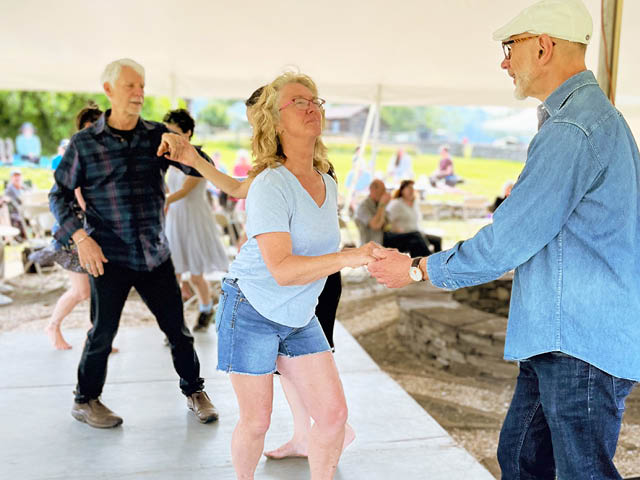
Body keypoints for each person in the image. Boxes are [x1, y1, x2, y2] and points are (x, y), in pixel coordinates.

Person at [368, 1, 639, 478]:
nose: (504, 61)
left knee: (576, 471)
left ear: (543, 47)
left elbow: (508, 241)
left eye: (509, 47)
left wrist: (417, 269)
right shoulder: (584, 121)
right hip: (562, 338)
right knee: (520, 458)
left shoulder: (573, 130)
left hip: (577, 341)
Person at [160, 72, 376, 480]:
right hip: (252, 308)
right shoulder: (269, 183)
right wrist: (350, 257)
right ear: (275, 122)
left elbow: (240, 189)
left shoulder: (326, 180)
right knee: (256, 422)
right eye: (299, 101)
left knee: (333, 417)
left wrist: (366, 257)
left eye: (316, 100)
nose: (312, 106)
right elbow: (281, 268)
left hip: (298, 313)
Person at [49, 58, 218, 429]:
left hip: (154, 254)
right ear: (108, 90)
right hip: (108, 256)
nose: (139, 92)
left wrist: (187, 148)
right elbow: (59, 195)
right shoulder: (83, 145)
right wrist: (80, 239)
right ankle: (85, 400)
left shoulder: (156, 135)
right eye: (130, 86)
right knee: (102, 332)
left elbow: (198, 167)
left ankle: (195, 391)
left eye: (142, 85)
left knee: (177, 330)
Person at [162, 108, 229, 331]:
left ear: (188, 133)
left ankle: (206, 307)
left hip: (194, 216)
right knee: (175, 271)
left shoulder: (199, 158)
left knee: (196, 273)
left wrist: (162, 201)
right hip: (174, 218)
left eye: (176, 132)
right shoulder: (168, 156)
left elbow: (184, 190)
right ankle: (174, 322)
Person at [45, 103, 105, 350]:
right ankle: (53, 326)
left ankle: (98, 335)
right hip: (74, 234)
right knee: (82, 291)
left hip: (92, 232)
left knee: (98, 288)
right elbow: (80, 198)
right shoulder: (77, 155)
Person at [356, 179, 431, 258]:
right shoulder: (363, 207)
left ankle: (425, 263)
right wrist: (382, 205)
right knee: (414, 239)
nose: (384, 193)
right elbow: (376, 226)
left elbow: (387, 225)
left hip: (386, 236)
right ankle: (426, 264)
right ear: (372, 190)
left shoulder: (378, 204)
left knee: (416, 236)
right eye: (382, 190)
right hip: (375, 242)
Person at [387, 180, 442, 253]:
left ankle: (440, 262)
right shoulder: (396, 204)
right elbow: (387, 220)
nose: (411, 191)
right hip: (404, 235)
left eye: (412, 189)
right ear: (402, 190)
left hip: (417, 232)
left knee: (437, 240)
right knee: (418, 241)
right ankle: (428, 261)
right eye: (409, 188)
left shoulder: (415, 203)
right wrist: (396, 229)